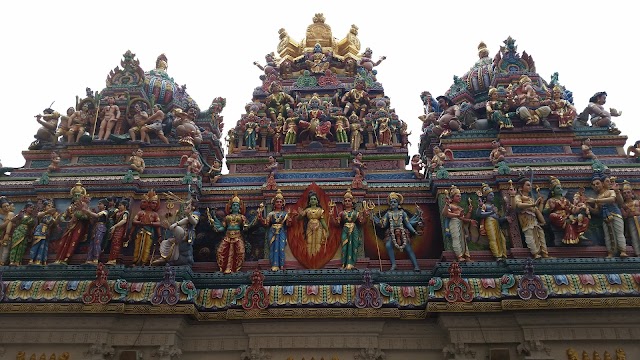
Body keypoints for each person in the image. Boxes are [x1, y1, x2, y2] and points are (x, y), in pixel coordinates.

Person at [372, 192, 421, 271]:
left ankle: (416, 265)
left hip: (402, 231)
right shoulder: (388, 214)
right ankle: (394, 264)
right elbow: (383, 225)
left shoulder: (403, 213)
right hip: (391, 232)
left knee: (408, 247)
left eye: (394, 202)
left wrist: (414, 232)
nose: (392, 203)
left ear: (398, 203)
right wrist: (375, 219)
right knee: (388, 245)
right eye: (391, 202)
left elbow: (408, 224)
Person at [587, 174, 628, 258]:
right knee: (608, 235)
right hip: (605, 217)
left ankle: (623, 250)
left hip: (615, 214)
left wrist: (595, 200)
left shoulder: (610, 191)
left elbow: (612, 199)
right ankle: (611, 252)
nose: (596, 186)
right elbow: (597, 211)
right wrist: (589, 207)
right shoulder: (598, 196)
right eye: (594, 185)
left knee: (618, 233)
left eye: (597, 183)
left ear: (602, 183)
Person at [207, 194, 249, 274]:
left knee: (240, 252)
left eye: (237, 205)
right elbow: (223, 228)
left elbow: (245, 227)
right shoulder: (227, 218)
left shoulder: (242, 217)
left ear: (240, 207)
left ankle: (235, 268)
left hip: (237, 236)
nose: (235, 207)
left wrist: (247, 225)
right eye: (234, 205)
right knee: (220, 251)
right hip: (227, 236)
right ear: (231, 207)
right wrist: (214, 224)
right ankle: (224, 268)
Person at [510, 177, 548, 259]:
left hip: (534, 220)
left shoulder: (530, 199)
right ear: (521, 187)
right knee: (530, 236)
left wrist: (541, 203)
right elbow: (519, 205)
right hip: (526, 221)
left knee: (540, 236)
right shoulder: (518, 197)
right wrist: (532, 205)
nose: (530, 187)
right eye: (527, 185)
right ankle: (535, 253)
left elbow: (537, 211)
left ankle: (544, 253)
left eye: (530, 185)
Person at [153, 200, 199, 266]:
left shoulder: (195, 214)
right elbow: (182, 221)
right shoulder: (183, 216)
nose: (185, 207)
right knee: (165, 243)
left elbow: (194, 222)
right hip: (177, 237)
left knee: (179, 230)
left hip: (187, 235)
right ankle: (164, 257)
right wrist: (170, 226)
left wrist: (188, 215)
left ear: (193, 207)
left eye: (187, 205)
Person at [329, 189, 367, 269]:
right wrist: (332, 216)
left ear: (352, 202)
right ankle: (344, 263)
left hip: (354, 230)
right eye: (345, 201)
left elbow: (362, 222)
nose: (347, 202)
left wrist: (365, 215)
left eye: (349, 200)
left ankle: (351, 263)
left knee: (354, 246)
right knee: (345, 246)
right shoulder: (342, 213)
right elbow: (336, 224)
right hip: (345, 229)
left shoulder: (356, 213)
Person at [544, 176, 587, 245]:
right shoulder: (551, 200)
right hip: (558, 218)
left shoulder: (565, 200)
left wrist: (580, 207)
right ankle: (566, 223)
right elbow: (544, 211)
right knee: (552, 215)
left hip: (568, 216)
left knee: (584, 218)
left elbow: (572, 208)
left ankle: (580, 233)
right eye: (558, 188)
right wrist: (550, 208)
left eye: (560, 188)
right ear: (553, 190)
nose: (560, 189)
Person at [257, 189, 290, 271]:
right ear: (274, 203)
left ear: (282, 203)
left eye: (280, 202)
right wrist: (260, 217)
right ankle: (274, 265)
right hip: (272, 231)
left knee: (281, 247)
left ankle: (281, 265)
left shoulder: (285, 214)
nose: (279, 203)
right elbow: (266, 223)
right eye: (277, 202)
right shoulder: (271, 214)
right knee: (273, 247)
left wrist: (291, 218)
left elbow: (289, 224)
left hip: (281, 231)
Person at [442, 185, 476, 262]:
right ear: (453, 197)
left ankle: (467, 256)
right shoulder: (450, 205)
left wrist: (470, 213)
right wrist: (456, 214)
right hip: (454, 222)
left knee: (463, 240)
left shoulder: (460, 208)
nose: (459, 198)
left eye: (460, 196)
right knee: (456, 238)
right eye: (457, 196)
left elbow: (463, 218)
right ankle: (459, 256)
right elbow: (445, 214)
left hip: (460, 223)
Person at [54, 195, 91, 264]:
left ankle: (67, 258)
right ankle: (59, 258)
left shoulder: (85, 208)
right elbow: (63, 216)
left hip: (79, 226)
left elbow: (87, 218)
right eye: (75, 201)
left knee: (74, 240)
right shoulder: (70, 208)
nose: (77, 203)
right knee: (65, 241)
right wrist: (64, 221)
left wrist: (79, 215)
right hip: (69, 226)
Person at [476, 183, 508, 261]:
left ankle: (504, 254)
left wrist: (505, 217)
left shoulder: (494, 207)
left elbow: (498, 218)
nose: (492, 196)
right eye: (490, 195)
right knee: (493, 238)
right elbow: (479, 214)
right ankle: (497, 255)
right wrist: (491, 213)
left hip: (496, 222)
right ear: (486, 197)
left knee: (502, 239)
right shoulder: (484, 205)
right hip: (489, 221)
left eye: (493, 195)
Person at [131, 190, 162, 266]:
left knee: (146, 248)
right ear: (148, 203)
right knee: (137, 247)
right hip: (140, 232)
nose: (154, 205)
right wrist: (140, 223)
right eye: (153, 203)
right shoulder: (141, 212)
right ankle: (135, 261)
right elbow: (134, 221)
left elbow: (159, 224)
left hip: (149, 233)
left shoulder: (154, 214)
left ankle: (143, 262)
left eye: (155, 203)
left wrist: (159, 235)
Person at [293, 191, 329, 257]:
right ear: (309, 201)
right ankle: (310, 257)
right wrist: (300, 214)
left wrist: (327, 230)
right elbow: (299, 218)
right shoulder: (307, 210)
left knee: (318, 242)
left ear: (317, 201)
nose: (313, 200)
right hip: (309, 226)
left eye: (314, 199)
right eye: (311, 199)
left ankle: (317, 257)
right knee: (309, 241)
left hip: (318, 227)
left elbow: (322, 221)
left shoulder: (320, 210)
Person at [29, 200, 59, 265]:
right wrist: (47, 212)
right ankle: (31, 259)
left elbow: (55, 223)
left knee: (43, 246)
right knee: (36, 243)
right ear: (44, 206)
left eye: (52, 206)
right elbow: (38, 216)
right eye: (49, 205)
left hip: (46, 232)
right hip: (40, 229)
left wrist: (56, 216)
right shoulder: (42, 213)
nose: (50, 207)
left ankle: (39, 260)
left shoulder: (51, 217)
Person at [83, 199, 109, 264]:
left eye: (100, 204)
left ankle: (96, 258)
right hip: (95, 228)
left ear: (105, 206)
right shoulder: (98, 212)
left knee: (97, 242)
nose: (98, 205)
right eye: (98, 204)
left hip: (100, 227)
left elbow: (97, 216)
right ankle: (89, 259)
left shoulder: (105, 212)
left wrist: (87, 211)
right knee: (92, 243)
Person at [106, 199, 129, 265]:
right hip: (115, 229)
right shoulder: (117, 212)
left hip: (120, 229)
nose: (119, 207)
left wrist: (115, 226)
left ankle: (113, 259)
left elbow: (124, 220)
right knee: (113, 244)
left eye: (120, 205)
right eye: (118, 205)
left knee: (116, 243)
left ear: (125, 206)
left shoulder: (125, 213)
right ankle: (111, 259)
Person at [620, 181, 640, 256]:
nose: (627, 194)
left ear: (632, 193)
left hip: (639, 218)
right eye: (624, 193)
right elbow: (624, 216)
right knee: (634, 236)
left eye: (628, 192)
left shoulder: (637, 201)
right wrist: (628, 211)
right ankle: (638, 253)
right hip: (631, 221)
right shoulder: (623, 205)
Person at [0, 196, 16, 265]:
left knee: (6, 252)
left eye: (7, 206)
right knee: (2, 252)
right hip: (3, 236)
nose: (6, 208)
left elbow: (8, 224)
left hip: (9, 236)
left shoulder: (11, 214)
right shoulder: (4, 215)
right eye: (4, 207)